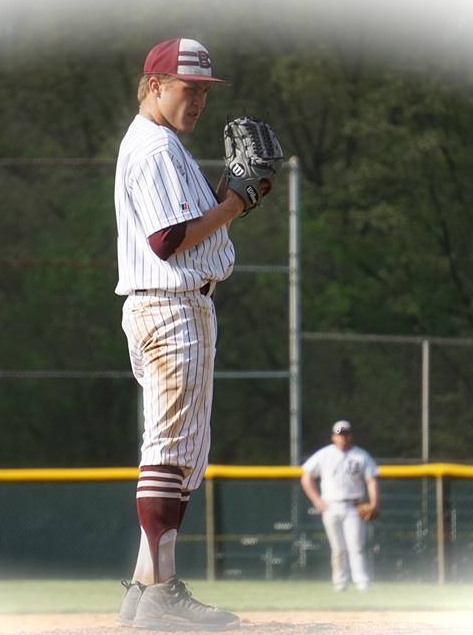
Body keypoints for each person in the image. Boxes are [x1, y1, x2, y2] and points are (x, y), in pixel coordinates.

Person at [113, 37, 269, 630]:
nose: (198, 100)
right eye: (188, 88)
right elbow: (168, 240)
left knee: (178, 450)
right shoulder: (154, 148)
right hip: (169, 305)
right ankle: (163, 593)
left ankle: (142, 591)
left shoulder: (164, 145)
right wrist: (233, 203)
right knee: (170, 451)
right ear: (154, 85)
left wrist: (233, 204)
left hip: (176, 305)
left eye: (204, 91)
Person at [300, 419, 380, 592]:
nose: (342, 437)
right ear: (333, 437)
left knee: (356, 545)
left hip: (353, 505)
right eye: (339, 434)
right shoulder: (324, 454)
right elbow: (306, 476)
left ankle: (361, 582)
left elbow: (371, 480)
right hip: (330, 505)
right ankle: (340, 583)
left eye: (345, 434)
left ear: (350, 435)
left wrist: (373, 503)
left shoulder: (361, 455)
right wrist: (316, 500)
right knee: (337, 547)